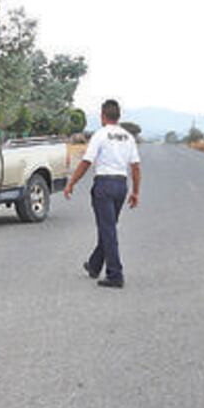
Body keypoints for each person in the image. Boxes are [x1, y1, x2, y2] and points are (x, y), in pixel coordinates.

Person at [63, 99, 141, 288]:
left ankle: (115, 274)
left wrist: (71, 182)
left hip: (104, 185)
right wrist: (135, 191)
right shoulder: (128, 137)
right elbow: (136, 166)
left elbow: (86, 161)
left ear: (103, 116)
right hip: (121, 185)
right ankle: (94, 265)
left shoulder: (100, 135)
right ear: (118, 116)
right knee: (109, 227)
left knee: (107, 229)